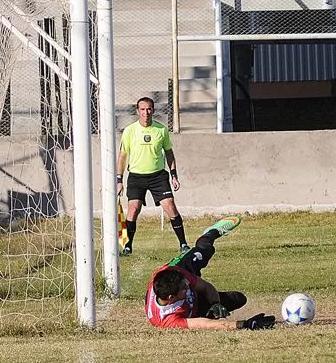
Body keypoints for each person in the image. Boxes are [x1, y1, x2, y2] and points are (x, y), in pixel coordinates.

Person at [145, 216, 276, 330]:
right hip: (197, 307)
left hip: (182, 267)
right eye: (183, 288)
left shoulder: (176, 274)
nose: (187, 285)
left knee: (204, 249)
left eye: (185, 283)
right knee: (238, 299)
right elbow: (204, 325)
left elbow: (206, 286)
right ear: (171, 298)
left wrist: (215, 302)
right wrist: (244, 325)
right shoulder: (165, 319)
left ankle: (210, 233)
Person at [117, 97, 188, 255]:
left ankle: (183, 244)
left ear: (153, 110)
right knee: (133, 209)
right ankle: (128, 246)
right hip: (136, 177)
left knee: (170, 205)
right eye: (142, 109)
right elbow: (122, 156)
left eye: (149, 109)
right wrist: (119, 180)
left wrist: (173, 175)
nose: (146, 112)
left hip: (158, 176)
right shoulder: (129, 131)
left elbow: (169, 153)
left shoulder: (161, 130)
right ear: (137, 111)